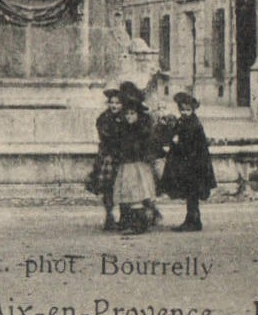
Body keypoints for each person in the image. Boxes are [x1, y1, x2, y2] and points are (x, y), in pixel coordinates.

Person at [159, 91, 217, 233]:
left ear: (193, 109)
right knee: (191, 194)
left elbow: (190, 144)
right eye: (182, 110)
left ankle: (193, 220)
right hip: (191, 164)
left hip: (194, 165)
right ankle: (192, 219)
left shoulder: (193, 124)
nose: (184, 112)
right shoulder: (185, 122)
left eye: (187, 110)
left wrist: (176, 142)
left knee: (192, 193)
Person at [113, 83, 158, 235]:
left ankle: (140, 223)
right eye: (127, 114)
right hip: (127, 164)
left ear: (138, 114)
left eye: (132, 114)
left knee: (137, 193)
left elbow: (146, 145)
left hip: (137, 164)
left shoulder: (140, 129)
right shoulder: (123, 129)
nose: (129, 117)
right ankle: (132, 221)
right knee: (129, 192)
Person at [91, 87, 123, 231]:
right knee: (108, 187)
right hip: (109, 156)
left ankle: (124, 216)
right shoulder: (104, 118)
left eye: (117, 103)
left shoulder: (126, 117)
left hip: (122, 156)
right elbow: (105, 136)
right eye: (112, 103)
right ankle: (109, 216)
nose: (114, 106)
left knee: (124, 187)